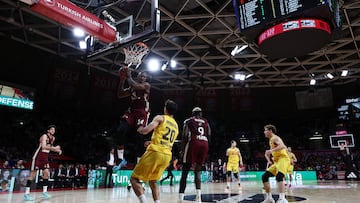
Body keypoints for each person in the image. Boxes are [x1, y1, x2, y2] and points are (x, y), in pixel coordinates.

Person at [130, 99, 179, 203]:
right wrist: (151, 142)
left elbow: (146, 130)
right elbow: (166, 141)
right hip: (167, 155)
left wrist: (140, 128)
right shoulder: (176, 125)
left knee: (134, 180)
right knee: (153, 181)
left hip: (156, 152)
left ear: (165, 109)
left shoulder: (160, 118)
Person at [116, 66, 151, 163]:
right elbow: (120, 94)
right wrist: (122, 80)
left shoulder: (147, 85)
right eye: (141, 76)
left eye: (144, 77)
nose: (142, 78)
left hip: (142, 112)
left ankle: (139, 161)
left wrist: (128, 76)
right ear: (138, 77)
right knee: (120, 130)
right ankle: (120, 158)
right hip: (131, 112)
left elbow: (135, 85)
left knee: (139, 136)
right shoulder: (132, 86)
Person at [178, 107, 211, 203]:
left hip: (194, 143)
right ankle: (198, 197)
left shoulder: (189, 121)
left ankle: (180, 198)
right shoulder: (206, 121)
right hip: (204, 143)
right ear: (201, 114)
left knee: (185, 171)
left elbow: (184, 135)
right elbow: (209, 134)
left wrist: (182, 149)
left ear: (193, 113)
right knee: (197, 170)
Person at [24, 125, 62, 201]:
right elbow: (44, 147)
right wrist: (55, 148)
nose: (53, 131)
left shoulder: (53, 138)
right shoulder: (44, 136)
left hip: (45, 158)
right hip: (38, 157)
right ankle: (26, 194)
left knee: (47, 173)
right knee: (32, 175)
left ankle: (44, 192)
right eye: (51, 129)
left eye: (54, 130)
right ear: (48, 130)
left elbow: (49, 148)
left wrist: (57, 150)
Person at [261, 124, 290, 203]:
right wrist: (269, 154)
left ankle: (282, 199)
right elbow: (283, 148)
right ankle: (269, 198)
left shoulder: (275, 138)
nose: (264, 132)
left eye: (265, 130)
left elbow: (282, 146)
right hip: (277, 161)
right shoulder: (271, 140)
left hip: (283, 159)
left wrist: (271, 151)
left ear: (270, 131)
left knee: (279, 176)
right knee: (264, 176)